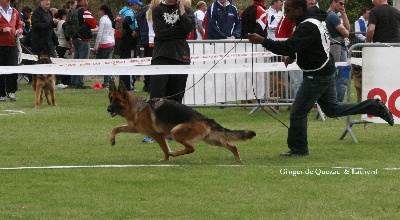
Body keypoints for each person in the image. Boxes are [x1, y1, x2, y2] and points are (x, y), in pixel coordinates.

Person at [247, 0, 394, 156]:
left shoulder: (307, 25)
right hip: (325, 70)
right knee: (333, 110)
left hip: (317, 74)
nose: (285, 14)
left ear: (298, 9)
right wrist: (293, 55)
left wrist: (263, 40)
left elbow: (290, 45)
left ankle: (299, 149)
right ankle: (373, 106)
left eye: (288, 10)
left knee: (298, 112)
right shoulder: (312, 21)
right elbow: (307, 45)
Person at [142, 0, 195, 144]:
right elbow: (161, 34)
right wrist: (180, 30)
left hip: (181, 57)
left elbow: (189, 29)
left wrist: (182, 14)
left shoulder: (187, 10)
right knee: (157, 96)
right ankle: (152, 131)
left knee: (176, 97)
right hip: (161, 56)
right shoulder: (158, 10)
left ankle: (172, 130)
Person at [326, 0, 350, 103]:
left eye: (343, 4)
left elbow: (347, 29)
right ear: (333, 2)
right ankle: (336, 104)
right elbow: (346, 33)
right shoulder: (332, 16)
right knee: (340, 78)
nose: (342, 6)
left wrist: (344, 14)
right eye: (340, 3)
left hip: (339, 49)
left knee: (342, 77)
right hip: (337, 50)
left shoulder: (334, 15)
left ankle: (335, 103)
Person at [70, 0, 96, 89]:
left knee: (75, 61)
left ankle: (73, 82)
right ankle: (80, 83)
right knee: (82, 62)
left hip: (74, 38)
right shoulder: (84, 11)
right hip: (83, 39)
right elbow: (93, 24)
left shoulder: (73, 10)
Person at [0, 0, 23, 102]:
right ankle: (1, 94)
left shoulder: (15, 11)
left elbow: (19, 24)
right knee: (1, 70)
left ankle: (11, 91)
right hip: (1, 45)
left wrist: (19, 30)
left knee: (13, 69)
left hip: (12, 44)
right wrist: (1, 29)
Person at [118, 0, 141, 91]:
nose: (138, 7)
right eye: (138, 5)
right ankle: (129, 86)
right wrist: (132, 32)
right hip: (129, 42)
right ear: (134, 5)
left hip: (122, 41)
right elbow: (126, 23)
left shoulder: (122, 11)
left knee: (123, 63)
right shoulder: (130, 13)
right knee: (130, 63)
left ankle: (123, 85)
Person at [94, 4, 115, 88]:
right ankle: (108, 80)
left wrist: (96, 46)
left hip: (104, 43)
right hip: (111, 42)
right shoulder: (109, 19)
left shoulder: (103, 20)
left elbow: (99, 34)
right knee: (108, 62)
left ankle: (107, 80)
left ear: (102, 11)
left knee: (98, 62)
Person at [54, 8, 72, 87]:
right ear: (64, 15)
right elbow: (67, 36)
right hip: (64, 45)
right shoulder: (64, 23)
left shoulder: (58, 23)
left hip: (59, 45)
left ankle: (61, 80)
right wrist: (71, 46)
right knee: (66, 64)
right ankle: (66, 81)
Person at [136, 0, 151, 92]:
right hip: (152, 40)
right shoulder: (151, 11)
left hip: (144, 39)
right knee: (152, 62)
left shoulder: (141, 12)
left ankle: (146, 84)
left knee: (147, 61)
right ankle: (149, 85)